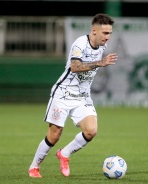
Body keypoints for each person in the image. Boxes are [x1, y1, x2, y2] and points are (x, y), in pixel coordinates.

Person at [28, 13, 117, 178]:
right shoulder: (80, 43)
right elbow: (75, 67)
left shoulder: (102, 47)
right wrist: (100, 63)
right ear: (94, 31)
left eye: (110, 33)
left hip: (82, 96)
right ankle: (34, 167)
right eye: (105, 33)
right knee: (54, 135)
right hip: (63, 94)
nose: (108, 37)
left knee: (91, 131)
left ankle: (65, 154)